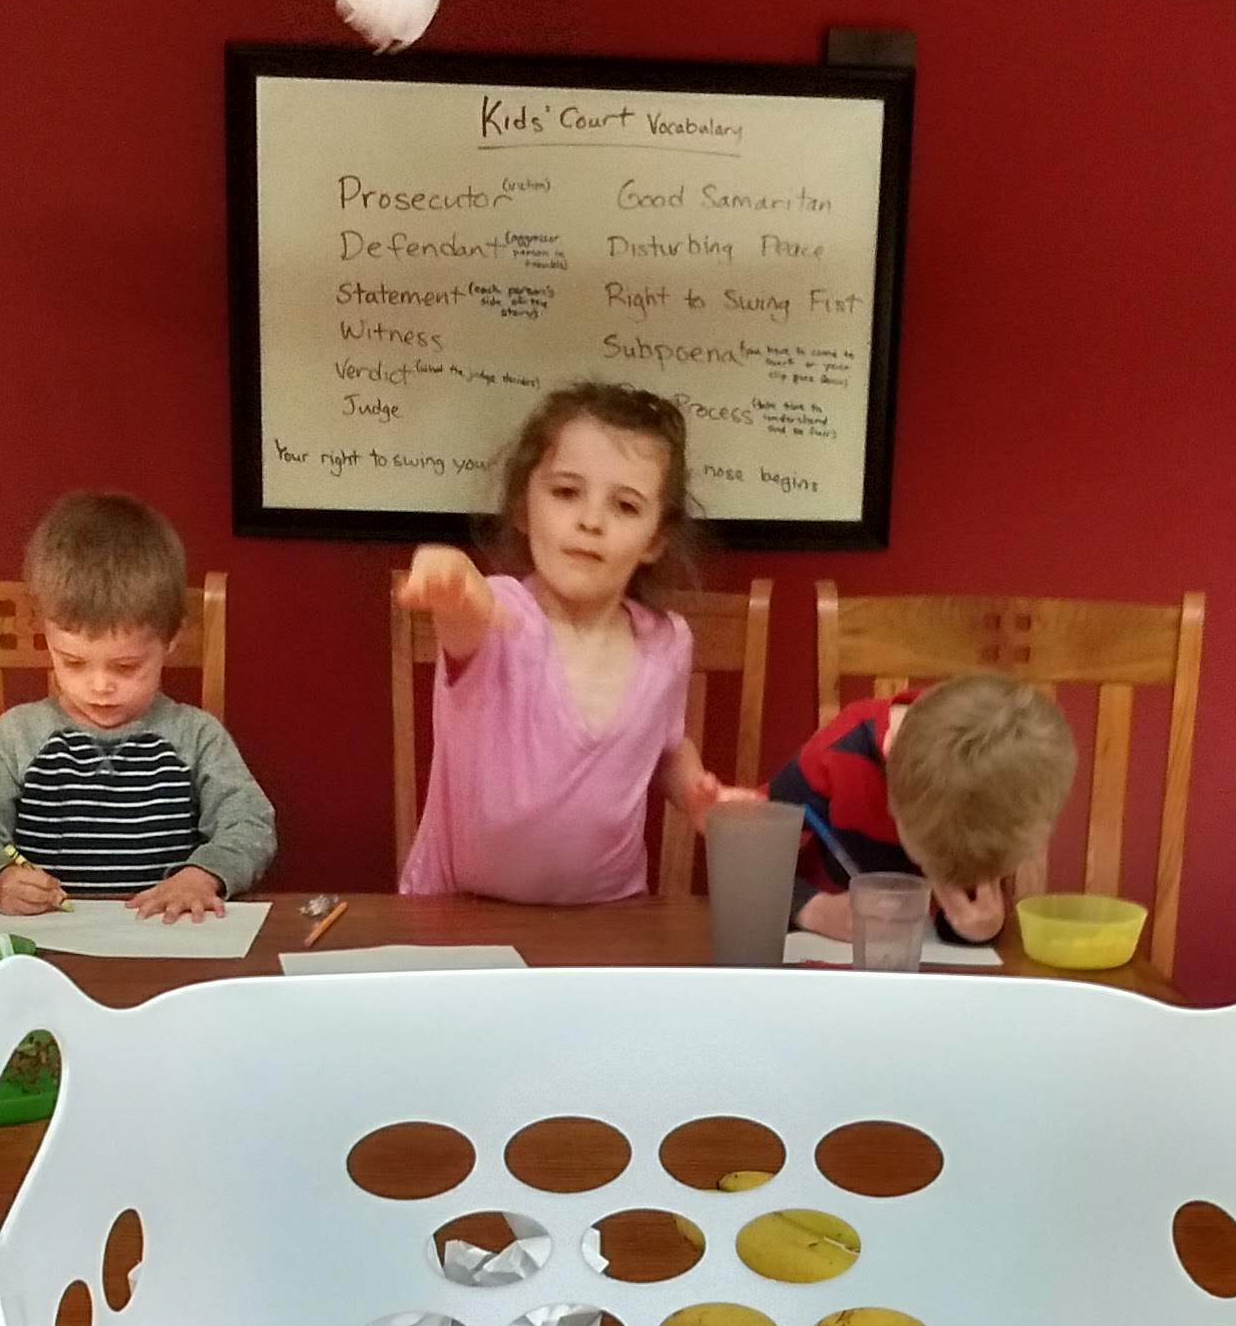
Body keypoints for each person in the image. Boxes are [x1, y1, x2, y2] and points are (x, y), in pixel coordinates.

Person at [397, 382, 755, 903]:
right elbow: (465, 603)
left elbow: (666, 746)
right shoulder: (498, 614)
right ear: (524, 507)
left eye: (626, 507)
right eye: (566, 493)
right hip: (461, 916)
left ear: (655, 538)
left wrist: (697, 793)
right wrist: (448, 571)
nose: (590, 521)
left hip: (609, 918)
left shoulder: (668, 641)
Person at [0, 492, 276, 922]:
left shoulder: (196, 736)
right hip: (46, 947)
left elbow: (250, 823)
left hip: (167, 940)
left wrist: (203, 875)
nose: (100, 686)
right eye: (73, 662)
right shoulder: (14, 737)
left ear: (170, 640)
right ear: (44, 634)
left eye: (126, 666)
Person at [769, 672, 1077, 945]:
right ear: (888, 763)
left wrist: (980, 928)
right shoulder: (835, 756)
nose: (940, 876)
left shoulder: (1001, 793)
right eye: (930, 860)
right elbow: (747, 870)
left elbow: (961, 919)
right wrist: (813, 910)